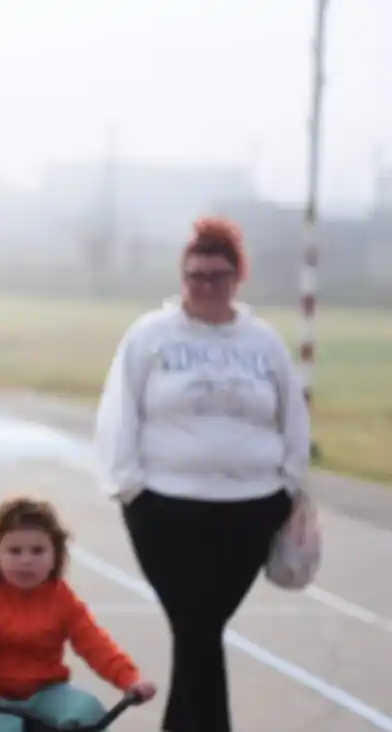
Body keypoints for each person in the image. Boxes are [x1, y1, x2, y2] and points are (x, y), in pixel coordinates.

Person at [93, 216, 310, 732]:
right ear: (181, 277)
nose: (206, 286)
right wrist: (130, 488)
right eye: (196, 275)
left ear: (238, 278)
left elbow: (293, 416)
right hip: (164, 507)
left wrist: (289, 486)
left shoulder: (263, 342)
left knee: (198, 631)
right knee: (198, 629)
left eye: (218, 276)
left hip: (253, 507)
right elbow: (119, 412)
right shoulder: (151, 335)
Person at [0, 496, 155, 732]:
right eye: (15, 551)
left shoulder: (62, 597)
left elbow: (94, 643)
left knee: (88, 711)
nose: (26, 560)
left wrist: (130, 679)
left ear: (55, 555)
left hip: (46, 692)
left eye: (38, 551)